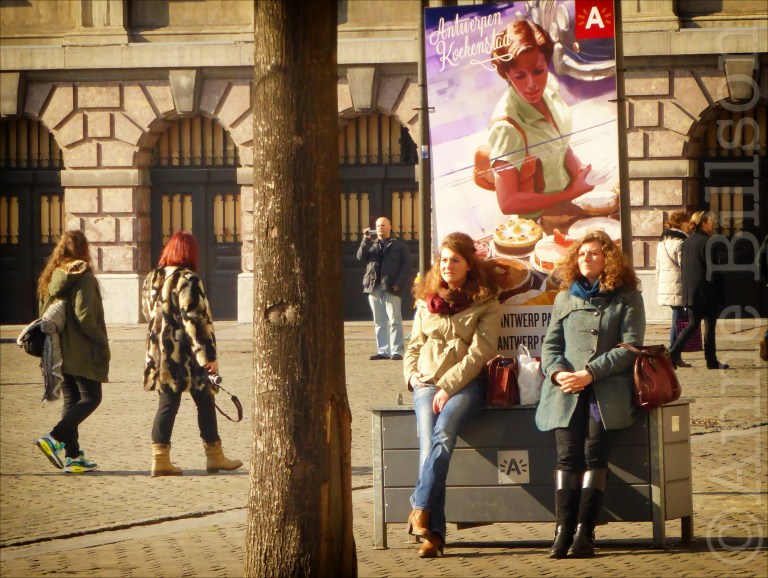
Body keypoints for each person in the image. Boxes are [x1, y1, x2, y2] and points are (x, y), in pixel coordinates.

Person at [536, 229, 645, 558]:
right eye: (582, 254)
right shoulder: (564, 297)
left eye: (594, 253)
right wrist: (558, 373)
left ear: (608, 258)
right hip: (566, 390)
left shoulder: (627, 297)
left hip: (604, 390)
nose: (586, 258)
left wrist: (590, 373)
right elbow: (550, 347)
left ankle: (585, 532)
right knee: (566, 458)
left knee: (595, 456)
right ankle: (561, 531)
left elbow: (630, 348)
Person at [404, 232, 502, 558]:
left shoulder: (486, 302)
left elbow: (480, 352)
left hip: (467, 385)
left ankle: (420, 509)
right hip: (426, 383)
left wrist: (449, 385)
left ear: (469, 264)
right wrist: (410, 374)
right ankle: (433, 535)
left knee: (443, 433)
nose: (447, 265)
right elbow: (414, 345)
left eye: (455, 260)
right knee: (428, 449)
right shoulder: (426, 300)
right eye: (443, 259)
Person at [143, 231, 242, 476]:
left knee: (169, 403)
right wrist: (207, 357)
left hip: (160, 352)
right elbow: (194, 320)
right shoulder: (188, 279)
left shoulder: (152, 277)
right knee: (205, 402)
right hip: (185, 353)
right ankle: (214, 456)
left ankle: (161, 458)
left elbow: (149, 313)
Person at [485, 20, 594, 229]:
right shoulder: (505, 126)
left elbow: (558, 142)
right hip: (535, 226)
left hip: (567, 209)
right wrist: (569, 193)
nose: (532, 84)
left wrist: (579, 170)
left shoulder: (550, 86)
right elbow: (507, 202)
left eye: (538, 71)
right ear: (506, 74)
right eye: (520, 76)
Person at [35, 230, 110, 473]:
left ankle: (73, 456)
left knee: (72, 400)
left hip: (57, 350)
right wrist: (100, 341)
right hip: (80, 350)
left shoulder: (51, 276)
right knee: (92, 398)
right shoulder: (83, 276)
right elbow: (85, 316)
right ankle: (54, 438)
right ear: (84, 249)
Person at [669, 211, 729, 370]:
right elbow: (713, 269)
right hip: (707, 292)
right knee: (709, 327)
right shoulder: (708, 242)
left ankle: (673, 353)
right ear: (703, 223)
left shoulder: (687, 242)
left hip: (692, 291)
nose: (713, 223)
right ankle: (711, 361)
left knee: (693, 324)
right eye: (710, 221)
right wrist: (719, 286)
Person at [356, 216, 411, 360]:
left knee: (394, 320)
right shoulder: (371, 243)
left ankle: (397, 351)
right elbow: (360, 257)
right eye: (378, 225)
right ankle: (383, 350)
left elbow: (406, 265)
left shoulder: (399, 244)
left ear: (390, 227)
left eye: (383, 225)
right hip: (373, 286)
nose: (380, 228)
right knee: (379, 321)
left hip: (391, 286)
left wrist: (399, 283)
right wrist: (365, 240)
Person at [655, 210, 691, 367]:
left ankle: (674, 353)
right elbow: (686, 267)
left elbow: (657, 268)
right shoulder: (681, 243)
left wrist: (660, 284)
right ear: (680, 223)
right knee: (678, 318)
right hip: (678, 284)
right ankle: (673, 353)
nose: (689, 225)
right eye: (686, 221)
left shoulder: (661, 243)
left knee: (678, 317)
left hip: (666, 284)